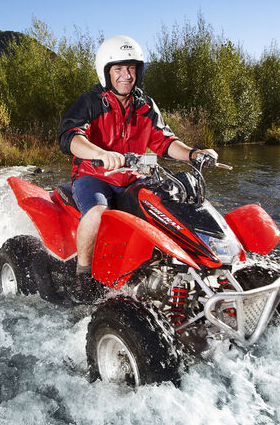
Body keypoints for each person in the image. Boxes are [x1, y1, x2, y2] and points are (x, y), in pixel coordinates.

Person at [57, 35, 217, 302]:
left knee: (172, 204)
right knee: (97, 212)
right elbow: (70, 136)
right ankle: (82, 275)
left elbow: (164, 141)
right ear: (106, 72)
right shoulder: (90, 102)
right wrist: (100, 153)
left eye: (131, 68)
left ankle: (173, 270)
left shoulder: (145, 105)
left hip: (133, 177)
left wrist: (193, 153)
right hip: (93, 176)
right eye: (118, 69)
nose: (126, 75)